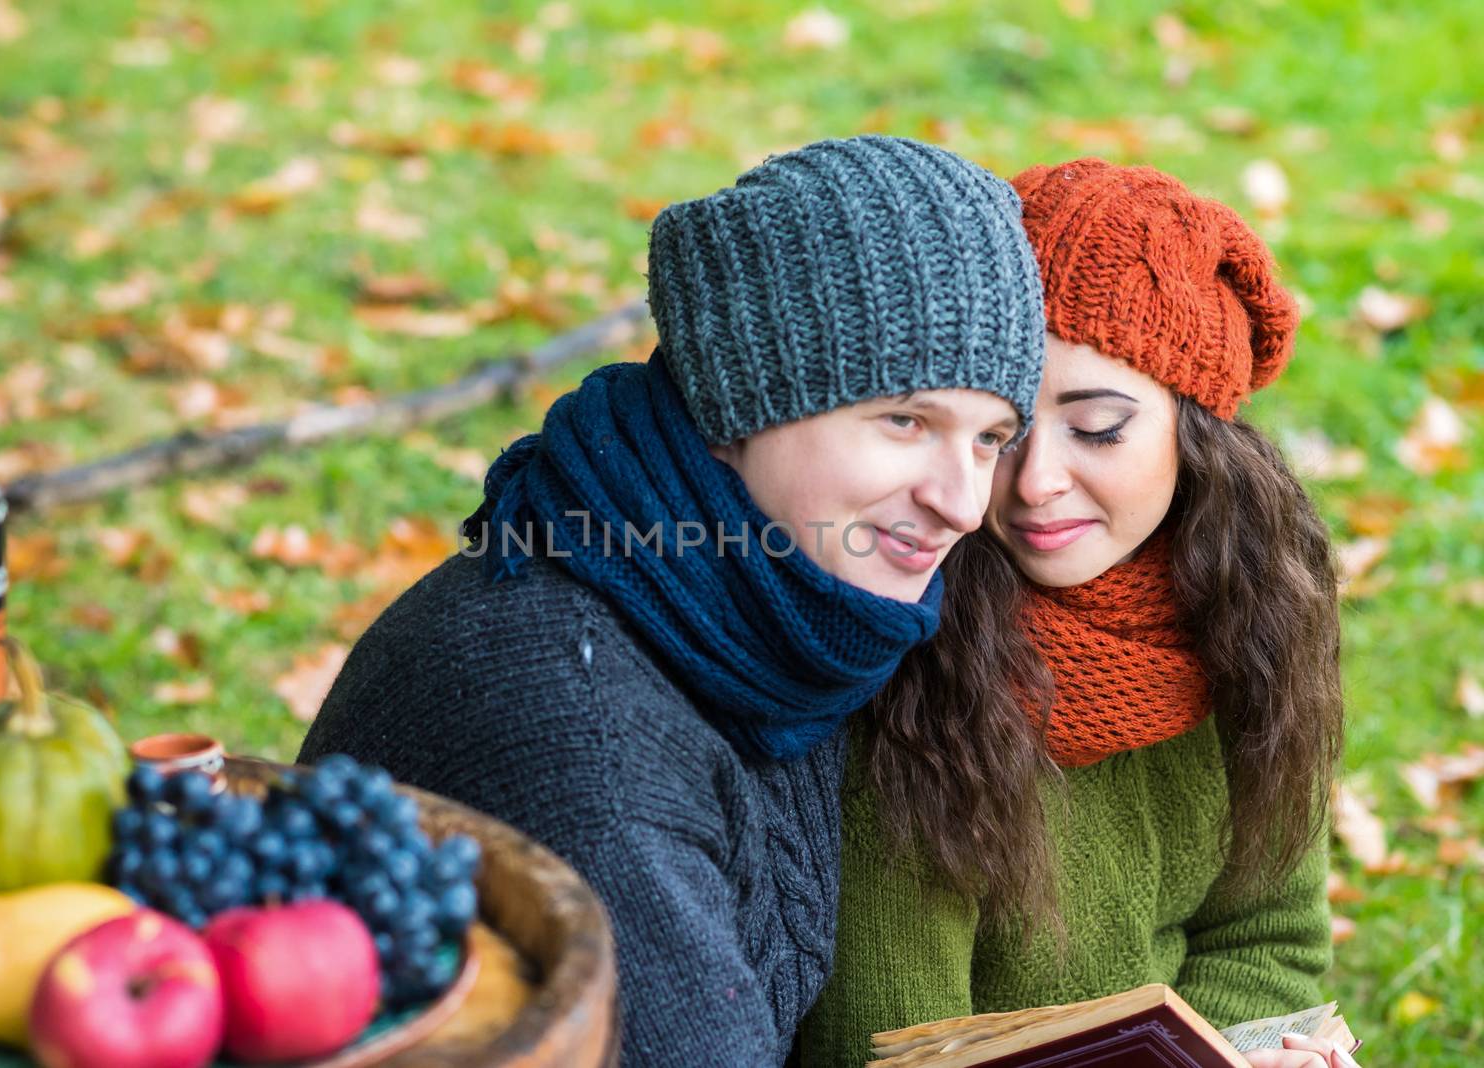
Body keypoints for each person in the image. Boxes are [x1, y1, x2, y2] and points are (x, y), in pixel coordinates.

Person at [298, 135, 1047, 1067]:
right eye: (905, 420)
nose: (963, 501)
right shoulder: (588, 737)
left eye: (990, 439)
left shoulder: (763, 608)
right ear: (740, 408)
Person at [800, 159, 1356, 1068]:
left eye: (1097, 427)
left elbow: (1270, 940)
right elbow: (887, 1041)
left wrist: (1245, 1052)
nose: (1034, 482)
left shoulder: (1249, 611)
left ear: (1197, 432)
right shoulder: (905, 652)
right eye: (1000, 429)